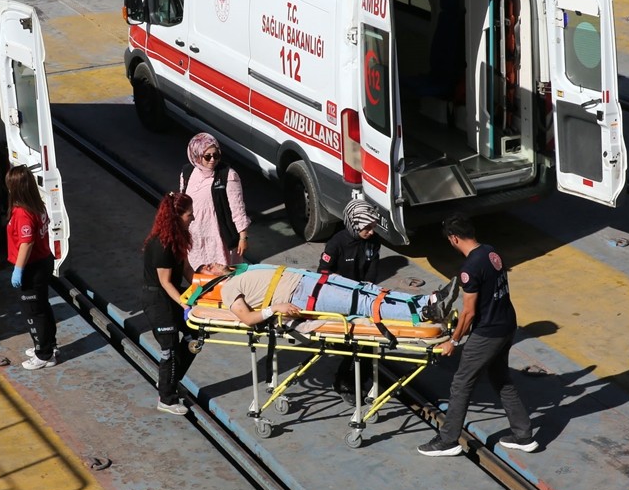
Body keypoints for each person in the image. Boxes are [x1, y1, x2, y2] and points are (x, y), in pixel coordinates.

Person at [418, 215, 538, 457]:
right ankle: (523, 434)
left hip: (487, 332)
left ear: (454, 238)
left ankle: (448, 439)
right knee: (501, 379)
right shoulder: (491, 252)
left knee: (461, 383)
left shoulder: (469, 269)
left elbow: (469, 312)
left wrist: (453, 341)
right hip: (507, 325)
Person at [209, 263, 456, 326]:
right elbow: (248, 319)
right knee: (364, 304)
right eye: (208, 267)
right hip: (300, 296)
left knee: (367, 290)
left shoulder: (242, 270)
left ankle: (427, 300)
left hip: (308, 281)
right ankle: (425, 314)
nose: (214, 263)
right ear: (210, 279)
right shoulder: (229, 288)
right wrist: (274, 309)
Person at [317, 199, 383, 400]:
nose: (371, 231)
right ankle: (343, 381)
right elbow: (323, 275)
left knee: (372, 338)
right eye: (366, 227)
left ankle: (361, 376)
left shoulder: (373, 242)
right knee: (350, 343)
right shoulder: (336, 243)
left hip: (362, 296)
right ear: (354, 224)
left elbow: (372, 273)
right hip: (338, 298)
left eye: (372, 227)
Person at [142, 192, 201, 415]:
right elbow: (165, 282)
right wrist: (186, 305)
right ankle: (166, 398)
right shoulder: (162, 245)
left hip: (173, 295)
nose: (192, 218)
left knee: (195, 337)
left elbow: (186, 269)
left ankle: (171, 381)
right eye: (189, 215)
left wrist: (202, 288)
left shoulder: (180, 237)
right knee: (170, 348)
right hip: (158, 298)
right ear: (176, 217)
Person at [6, 165, 58, 370]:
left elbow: (26, 243)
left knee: (33, 312)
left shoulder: (22, 213)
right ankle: (48, 344)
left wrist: (18, 269)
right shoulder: (37, 204)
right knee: (43, 306)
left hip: (32, 268)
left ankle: (43, 354)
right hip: (44, 261)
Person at [179, 133, 250, 273]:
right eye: (207, 156)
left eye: (216, 155)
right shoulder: (187, 173)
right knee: (198, 277)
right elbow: (182, 205)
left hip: (218, 238)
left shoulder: (228, 176)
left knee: (221, 278)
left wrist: (243, 237)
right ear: (196, 156)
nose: (212, 160)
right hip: (195, 238)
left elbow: (238, 209)